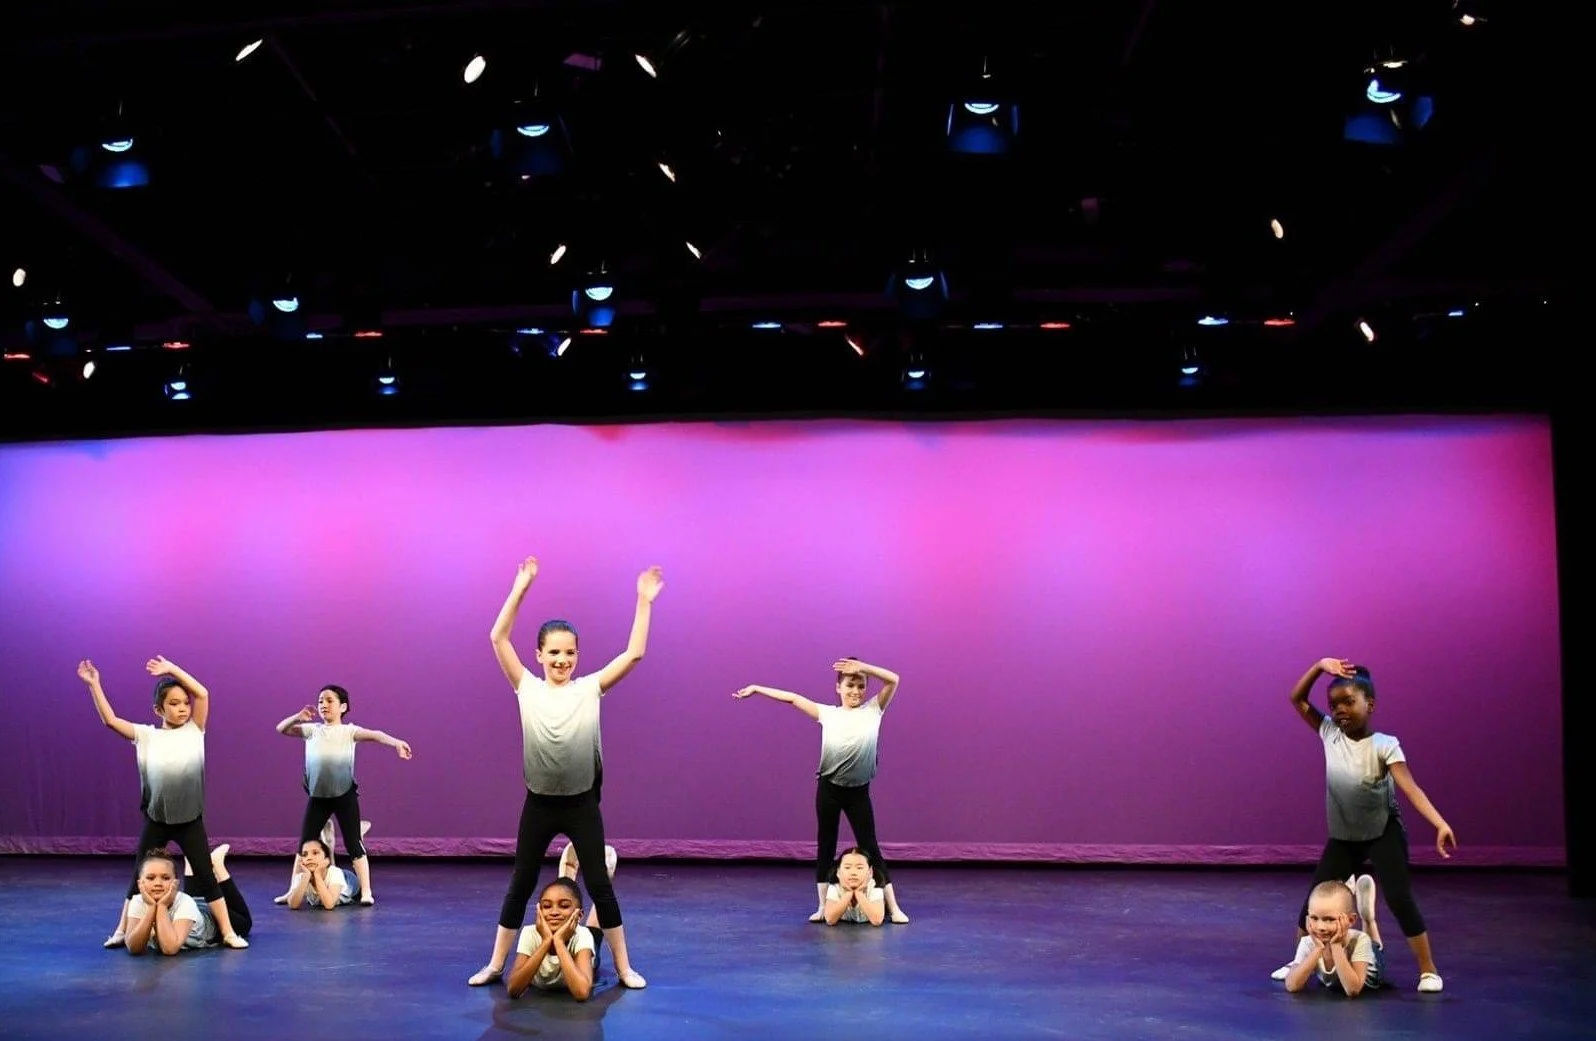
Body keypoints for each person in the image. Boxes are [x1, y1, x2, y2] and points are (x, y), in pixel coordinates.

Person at [466, 556, 661, 990]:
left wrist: (643, 601)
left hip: (581, 803)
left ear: (577, 656)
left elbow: (635, 654)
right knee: (520, 883)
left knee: (598, 884)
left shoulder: (590, 688)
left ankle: (625, 967)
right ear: (538, 655)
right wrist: (520, 588)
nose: (561, 659)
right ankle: (497, 963)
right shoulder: (526, 687)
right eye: (553, 652)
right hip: (539, 804)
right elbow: (498, 637)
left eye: (569, 652)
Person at [1275, 658, 1454, 993]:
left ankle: (1428, 970)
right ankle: (1298, 959)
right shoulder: (1329, 733)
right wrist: (1318, 667)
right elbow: (1297, 699)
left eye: (1348, 702)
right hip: (1344, 837)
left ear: (1369, 705)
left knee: (1400, 898)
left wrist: (1440, 823)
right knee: (1314, 900)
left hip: (1382, 832)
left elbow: (1411, 788)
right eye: (1334, 704)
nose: (1340, 710)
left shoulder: (1385, 744)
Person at [81, 657, 249, 950]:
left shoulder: (195, 731)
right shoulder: (146, 736)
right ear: (158, 709)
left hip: (189, 821)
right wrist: (95, 685)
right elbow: (110, 720)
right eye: (174, 703)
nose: (183, 708)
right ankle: (122, 929)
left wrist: (172, 669)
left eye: (185, 702)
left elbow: (204, 693)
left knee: (206, 877)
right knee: (138, 876)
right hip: (156, 820)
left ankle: (227, 932)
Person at [734, 658, 910, 923]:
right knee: (825, 845)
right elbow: (793, 698)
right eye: (850, 685)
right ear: (838, 688)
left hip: (858, 792)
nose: (856, 691)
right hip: (829, 789)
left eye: (861, 686)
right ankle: (822, 906)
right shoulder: (828, 713)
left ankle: (893, 907)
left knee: (869, 846)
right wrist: (757, 688)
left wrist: (863, 667)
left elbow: (893, 679)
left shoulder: (874, 710)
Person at [272, 685, 411, 905]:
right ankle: (293, 890)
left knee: (353, 843)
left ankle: (365, 890)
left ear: (342, 707)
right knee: (305, 845)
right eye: (320, 701)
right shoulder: (312, 730)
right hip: (318, 798)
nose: (323, 705)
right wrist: (298, 717)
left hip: (344, 796)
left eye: (329, 701)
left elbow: (376, 735)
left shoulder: (349, 732)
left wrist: (396, 743)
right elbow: (281, 728)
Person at [124, 844, 253, 955]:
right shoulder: (137, 901)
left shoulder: (185, 903)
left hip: (210, 917)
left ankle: (218, 866)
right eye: (151, 878)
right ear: (140, 883)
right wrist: (152, 908)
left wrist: (161, 906)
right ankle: (192, 862)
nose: (158, 883)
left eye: (165, 878)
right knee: (192, 899)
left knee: (244, 924)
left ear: (175, 883)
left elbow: (169, 949)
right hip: (191, 907)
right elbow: (133, 947)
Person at [1282, 877, 1386, 996]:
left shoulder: (1360, 941)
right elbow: (1291, 985)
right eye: (1314, 918)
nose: (1321, 927)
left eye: (1329, 919)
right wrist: (1318, 949)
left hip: (1371, 969)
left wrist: (1336, 945)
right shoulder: (1308, 943)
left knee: (1375, 947)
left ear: (1350, 920)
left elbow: (1352, 989)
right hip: (1337, 977)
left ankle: (1368, 921)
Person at [506, 879, 599, 1000]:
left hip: (586, 951)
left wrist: (559, 941)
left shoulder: (583, 935)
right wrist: (546, 941)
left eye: (564, 906)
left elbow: (581, 993)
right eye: (547, 906)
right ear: (539, 911)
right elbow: (513, 989)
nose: (554, 912)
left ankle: (600, 897)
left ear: (579, 915)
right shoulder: (529, 933)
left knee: (594, 937)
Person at [285, 837, 356, 909]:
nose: (309, 858)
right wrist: (306, 876)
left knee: (357, 886)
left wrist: (317, 874)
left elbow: (329, 905)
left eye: (315, 853)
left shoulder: (335, 873)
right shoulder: (301, 877)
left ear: (326, 860)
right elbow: (292, 905)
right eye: (304, 855)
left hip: (348, 879)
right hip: (331, 876)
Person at [822, 848, 885, 926]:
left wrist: (859, 893)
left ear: (870, 872)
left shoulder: (875, 886)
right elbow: (830, 920)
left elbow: (877, 920)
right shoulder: (835, 887)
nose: (853, 873)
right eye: (847, 867)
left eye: (859, 868)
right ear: (838, 871)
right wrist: (848, 893)